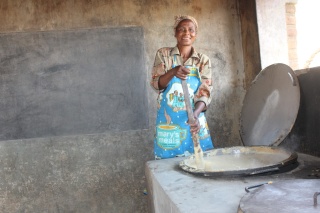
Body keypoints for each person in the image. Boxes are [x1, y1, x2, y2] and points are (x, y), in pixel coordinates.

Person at [150, 15, 214, 159]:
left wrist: (195, 115)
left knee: (200, 164)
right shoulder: (164, 54)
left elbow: (205, 92)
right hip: (169, 122)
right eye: (182, 29)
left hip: (195, 122)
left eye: (191, 30)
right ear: (175, 33)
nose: (186, 33)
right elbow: (156, 83)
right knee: (169, 166)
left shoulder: (203, 60)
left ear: (195, 34)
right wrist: (173, 71)